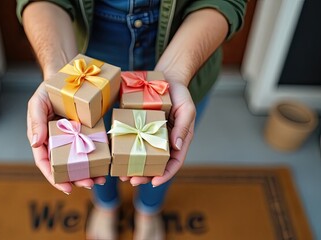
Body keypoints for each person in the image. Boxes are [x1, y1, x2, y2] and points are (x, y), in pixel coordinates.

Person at [17, 0, 246, 239]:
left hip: (186, 47)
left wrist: (176, 73)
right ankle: (106, 205)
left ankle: (149, 209)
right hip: (89, 58)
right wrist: (57, 72)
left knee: (165, 148)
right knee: (89, 151)